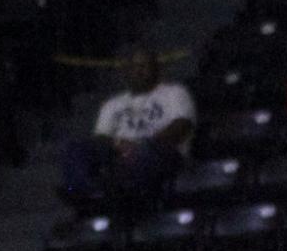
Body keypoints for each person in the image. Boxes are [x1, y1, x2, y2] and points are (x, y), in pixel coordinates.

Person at [59, 48, 196, 207]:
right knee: (76, 147)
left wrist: (142, 145)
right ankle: (85, 192)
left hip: (161, 153)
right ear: (126, 72)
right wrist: (118, 146)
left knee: (147, 152)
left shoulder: (175, 93)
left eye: (144, 66)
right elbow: (101, 138)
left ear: (156, 68)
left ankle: (127, 195)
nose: (138, 71)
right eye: (133, 67)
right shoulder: (112, 104)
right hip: (120, 154)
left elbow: (181, 126)